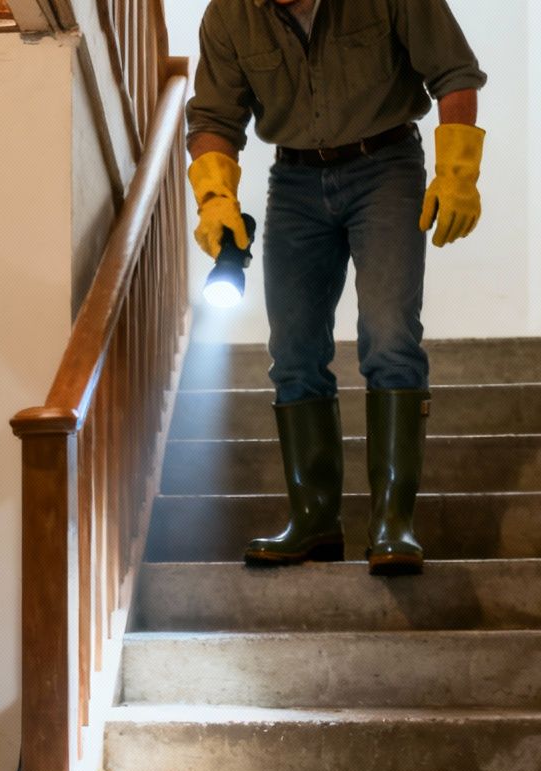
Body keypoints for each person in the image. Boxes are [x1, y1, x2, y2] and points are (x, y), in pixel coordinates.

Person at [186, 0, 485, 575]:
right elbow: (214, 121)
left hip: (387, 165)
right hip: (294, 181)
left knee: (390, 337)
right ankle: (315, 522)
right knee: (293, 352)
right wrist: (215, 198)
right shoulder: (228, 15)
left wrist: (458, 172)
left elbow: (454, 73)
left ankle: (392, 524)